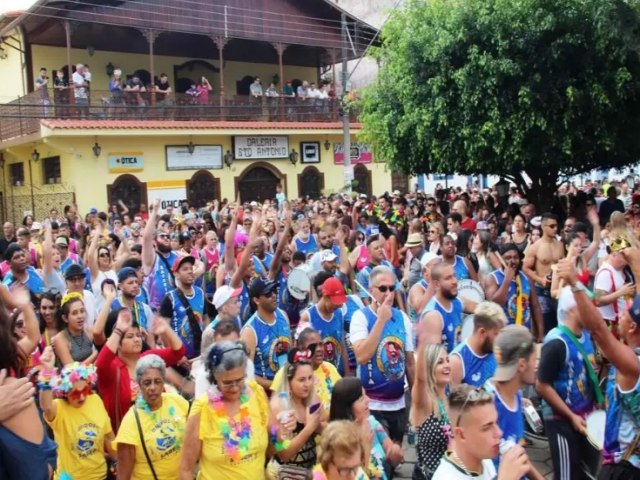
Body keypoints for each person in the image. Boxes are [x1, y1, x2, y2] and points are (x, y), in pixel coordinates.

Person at [556, 252, 640, 480]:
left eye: (625, 311)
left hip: (625, 469)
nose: (620, 313)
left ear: (632, 327)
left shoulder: (632, 365)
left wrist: (574, 283)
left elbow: (598, 331)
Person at [180, 341, 272, 480]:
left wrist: (282, 433)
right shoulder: (203, 407)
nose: (235, 387)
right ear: (215, 378)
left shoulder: (257, 394)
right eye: (227, 383)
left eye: (240, 380)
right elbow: (185, 469)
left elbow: (274, 449)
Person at [536, 287, 601, 480]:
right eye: (585, 305)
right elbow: (541, 385)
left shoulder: (586, 335)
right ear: (572, 309)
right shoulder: (557, 343)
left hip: (584, 417)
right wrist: (571, 416)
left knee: (584, 472)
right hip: (561, 421)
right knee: (566, 474)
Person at [350, 265, 415, 444]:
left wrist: (416, 398)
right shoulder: (360, 317)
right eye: (383, 289)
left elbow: (409, 362)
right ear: (371, 291)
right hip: (373, 407)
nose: (388, 293)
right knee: (381, 463)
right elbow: (362, 356)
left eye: (392, 288)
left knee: (395, 462)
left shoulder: (402, 317)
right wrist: (381, 320)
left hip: (399, 404)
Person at [96, 307, 185, 433]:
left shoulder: (149, 358)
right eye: (130, 336)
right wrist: (118, 331)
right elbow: (100, 364)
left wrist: (166, 329)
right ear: (118, 344)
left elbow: (178, 352)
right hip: (128, 434)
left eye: (138, 335)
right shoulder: (112, 369)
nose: (137, 339)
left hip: (157, 429)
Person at [38, 348, 115, 480]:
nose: (81, 397)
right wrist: (47, 373)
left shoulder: (95, 400)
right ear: (65, 392)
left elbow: (109, 437)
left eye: (84, 390)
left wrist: (117, 460)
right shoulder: (59, 408)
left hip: (100, 475)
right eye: (74, 393)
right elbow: (46, 407)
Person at [432, 384, 531, 480]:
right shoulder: (445, 477)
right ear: (461, 435)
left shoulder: (485, 460)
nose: (499, 433)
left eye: (496, 422)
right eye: (486, 428)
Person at [484, 326, 545, 479]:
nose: (537, 366)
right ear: (522, 365)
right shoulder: (487, 402)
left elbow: (518, 453)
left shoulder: (516, 396)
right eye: (534, 359)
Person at [115, 355, 189, 480]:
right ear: (139, 384)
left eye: (157, 381)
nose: (153, 388)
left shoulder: (177, 401)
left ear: (163, 382)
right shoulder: (131, 421)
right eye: (147, 383)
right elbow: (123, 475)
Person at [330, 377, 404, 480]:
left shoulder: (372, 423)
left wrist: (395, 453)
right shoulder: (338, 441)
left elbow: (392, 458)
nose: (368, 400)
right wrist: (365, 445)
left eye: (366, 395)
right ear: (347, 409)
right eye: (361, 399)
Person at [269, 348, 324, 475]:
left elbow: (326, 427)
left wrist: (318, 426)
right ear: (289, 380)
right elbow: (283, 454)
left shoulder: (313, 397)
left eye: (310, 378)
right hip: (284, 474)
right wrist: (309, 428)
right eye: (301, 380)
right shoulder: (278, 406)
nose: (308, 384)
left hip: (310, 471)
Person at [272, 327, 341, 411]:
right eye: (313, 346)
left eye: (321, 344)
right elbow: (275, 408)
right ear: (301, 348)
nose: (319, 349)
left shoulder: (330, 368)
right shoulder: (285, 372)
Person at [411, 343, 452, 480]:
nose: (447, 365)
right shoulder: (425, 402)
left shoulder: (451, 399)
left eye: (448, 360)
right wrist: (425, 340)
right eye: (440, 362)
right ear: (429, 368)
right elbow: (420, 380)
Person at [241, 278, 292, 389]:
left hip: (289, 388)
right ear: (257, 300)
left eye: (275, 290)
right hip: (266, 395)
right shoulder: (249, 331)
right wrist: (275, 386)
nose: (274, 295)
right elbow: (246, 373)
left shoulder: (283, 315)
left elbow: (290, 352)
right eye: (268, 293)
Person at [485, 243, 543, 340]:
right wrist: (507, 280)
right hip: (502, 337)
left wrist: (540, 335)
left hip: (524, 334)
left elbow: (535, 306)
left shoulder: (526, 278)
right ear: (501, 259)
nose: (512, 261)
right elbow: (494, 305)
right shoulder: (492, 278)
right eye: (508, 258)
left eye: (516, 257)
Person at [418, 262, 475, 352]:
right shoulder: (433, 316)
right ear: (436, 284)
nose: (455, 281)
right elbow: (435, 360)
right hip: (444, 364)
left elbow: (483, 308)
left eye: (454, 276)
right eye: (448, 278)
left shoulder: (457, 302)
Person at [297, 277, 349, 375]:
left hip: (336, 374)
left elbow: (342, 345)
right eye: (335, 303)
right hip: (317, 376)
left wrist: (347, 374)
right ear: (325, 297)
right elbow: (299, 349)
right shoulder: (307, 317)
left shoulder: (339, 314)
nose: (338, 306)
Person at [523, 213, 564, 334]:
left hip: (557, 290)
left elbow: (562, 264)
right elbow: (525, 268)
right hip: (542, 290)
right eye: (552, 226)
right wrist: (540, 280)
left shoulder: (560, 245)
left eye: (556, 226)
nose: (555, 229)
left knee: (560, 326)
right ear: (543, 227)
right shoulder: (535, 247)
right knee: (545, 326)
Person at [159, 255, 206, 360]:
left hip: (199, 355)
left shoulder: (200, 293)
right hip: (179, 358)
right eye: (185, 269)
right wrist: (175, 355)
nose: (190, 271)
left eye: (191, 268)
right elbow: (163, 331)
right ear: (176, 274)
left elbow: (206, 319)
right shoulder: (170, 298)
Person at [450, 301, 505, 387]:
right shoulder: (457, 362)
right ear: (482, 332)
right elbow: (450, 400)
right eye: (497, 334)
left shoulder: (496, 352)